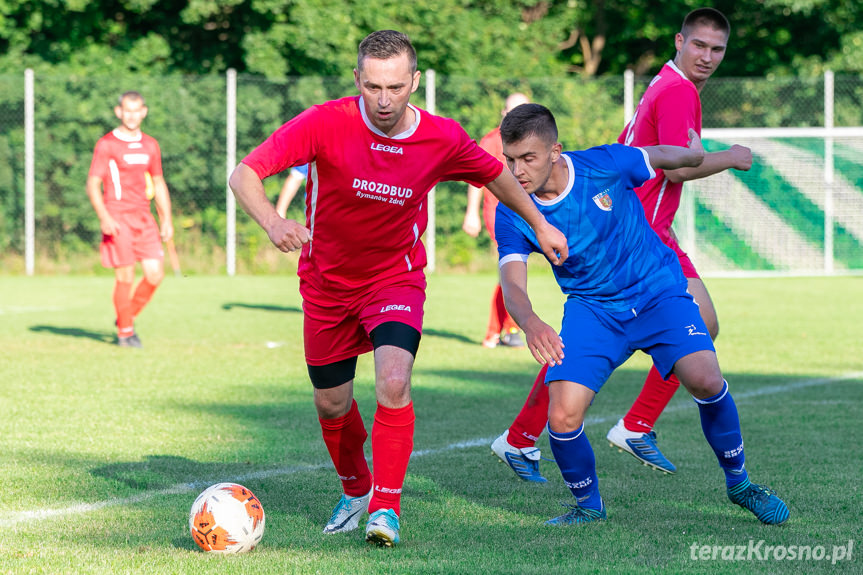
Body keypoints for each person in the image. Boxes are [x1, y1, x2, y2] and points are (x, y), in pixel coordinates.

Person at [228, 30, 568, 547]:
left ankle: (386, 506)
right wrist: (273, 221)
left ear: (414, 81)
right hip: (325, 286)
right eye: (372, 87)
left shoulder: (442, 137)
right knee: (331, 404)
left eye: (395, 87)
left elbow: (496, 175)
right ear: (358, 81)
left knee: (393, 381)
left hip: (395, 279)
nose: (384, 100)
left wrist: (539, 223)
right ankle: (356, 489)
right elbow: (244, 173)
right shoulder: (325, 122)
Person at [491, 7, 754, 480]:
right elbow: (675, 167)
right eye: (699, 45)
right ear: (679, 41)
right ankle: (628, 427)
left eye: (717, 49)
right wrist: (729, 157)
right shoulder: (676, 91)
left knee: (676, 331)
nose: (708, 57)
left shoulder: (669, 84)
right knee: (630, 332)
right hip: (641, 230)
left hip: (646, 223)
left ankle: (535, 435)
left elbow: (654, 154)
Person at [495, 102, 788, 526]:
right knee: (562, 413)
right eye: (510, 160)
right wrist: (531, 321)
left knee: (706, 378)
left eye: (528, 158)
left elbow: (659, 155)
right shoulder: (513, 209)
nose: (517, 170)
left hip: (656, 293)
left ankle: (741, 484)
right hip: (592, 310)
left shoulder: (603, 164)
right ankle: (588, 507)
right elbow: (512, 284)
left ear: (554, 151)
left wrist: (695, 155)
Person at [86, 91, 174, 348]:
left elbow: (158, 182)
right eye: (127, 110)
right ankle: (125, 332)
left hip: (144, 218)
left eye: (136, 110)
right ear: (119, 112)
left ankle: (126, 315)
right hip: (118, 217)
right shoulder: (107, 145)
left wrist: (166, 218)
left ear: (144, 112)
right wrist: (104, 216)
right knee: (125, 277)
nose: (132, 115)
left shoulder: (150, 145)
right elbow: (92, 184)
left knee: (155, 274)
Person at [463, 93, 531, 349]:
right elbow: (476, 178)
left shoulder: (532, 140)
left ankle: (505, 330)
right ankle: (502, 330)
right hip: (499, 215)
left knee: (512, 272)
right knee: (511, 271)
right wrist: (471, 213)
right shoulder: (492, 141)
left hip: (523, 214)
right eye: (512, 111)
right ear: (504, 114)